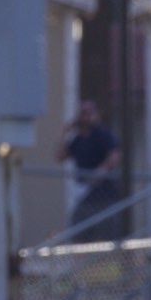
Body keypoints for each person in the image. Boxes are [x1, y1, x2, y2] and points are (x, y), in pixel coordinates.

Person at [56, 100, 127, 242]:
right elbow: (60, 156)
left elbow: (115, 155)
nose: (85, 117)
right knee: (78, 234)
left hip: (105, 198)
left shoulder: (102, 135)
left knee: (109, 237)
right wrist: (65, 132)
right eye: (83, 113)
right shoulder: (78, 139)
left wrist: (100, 172)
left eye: (89, 113)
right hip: (85, 197)